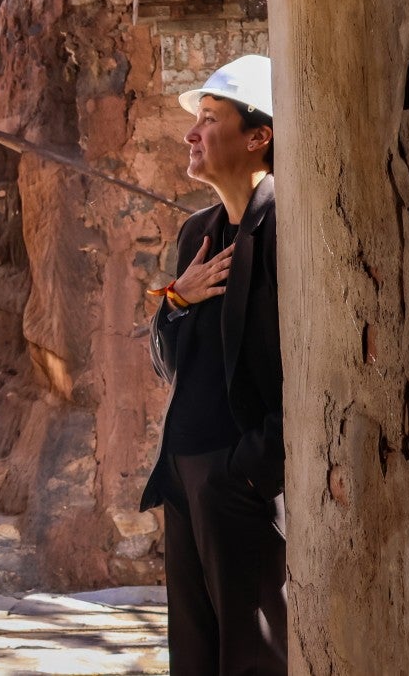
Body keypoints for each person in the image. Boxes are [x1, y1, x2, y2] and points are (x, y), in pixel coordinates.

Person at [139, 53, 285, 676]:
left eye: (208, 118)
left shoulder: (283, 227)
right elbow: (169, 361)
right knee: (193, 659)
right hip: (185, 475)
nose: (190, 135)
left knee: (251, 659)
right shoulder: (197, 232)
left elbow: (301, 370)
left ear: (258, 137)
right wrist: (177, 300)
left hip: (240, 479)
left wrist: (250, 470)